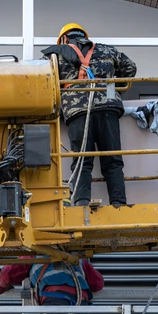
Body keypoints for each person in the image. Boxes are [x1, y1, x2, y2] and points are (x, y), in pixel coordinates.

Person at [41, 23, 137, 208]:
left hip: (78, 111)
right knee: (113, 160)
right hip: (108, 106)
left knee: (82, 161)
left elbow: (43, 80)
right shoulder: (108, 50)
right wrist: (111, 90)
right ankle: (118, 203)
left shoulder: (55, 55)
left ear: (64, 38)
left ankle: (81, 202)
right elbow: (130, 68)